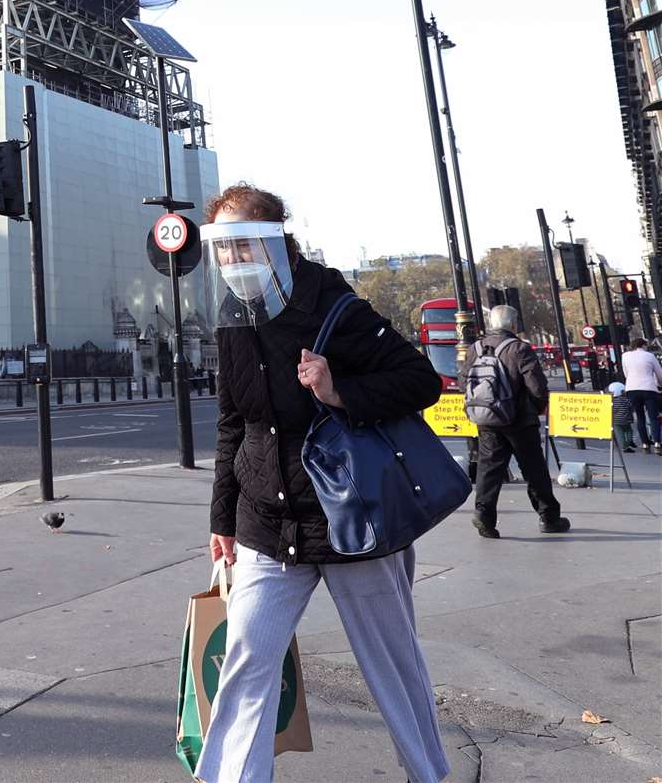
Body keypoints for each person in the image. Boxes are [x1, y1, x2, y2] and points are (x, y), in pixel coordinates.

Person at [197, 183, 450, 783]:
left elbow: (420, 380)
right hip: (267, 521)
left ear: (276, 241)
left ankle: (427, 774)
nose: (233, 262)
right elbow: (234, 422)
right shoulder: (232, 321)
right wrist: (222, 521)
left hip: (352, 520)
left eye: (243, 246)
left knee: (394, 667)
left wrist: (340, 391)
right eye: (223, 251)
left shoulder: (333, 306)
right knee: (246, 665)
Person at [459, 304, 569, 538]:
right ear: (513, 324)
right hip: (519, 419)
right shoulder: (519, 348)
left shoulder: (474, 348)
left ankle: (484, 516)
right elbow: (537, 386)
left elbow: (464, 382)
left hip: (487, 419)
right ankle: (549, 517)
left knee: (489, 469)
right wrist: (535, 408)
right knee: (533, 469)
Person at [621, 338, 662, 454]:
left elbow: (626, 373)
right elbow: (659, 373)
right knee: (653, 417)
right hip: (648, 388)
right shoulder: (649, 356)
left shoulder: (625, 356)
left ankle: (645, 443)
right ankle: (657, 443)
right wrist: (659, 384)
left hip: (632, 389)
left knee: (640, 417)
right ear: (643, 345)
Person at [607, 381, 635, 452]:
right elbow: (631, 406)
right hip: (626, 420)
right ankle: (629, 441)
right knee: (629, 431)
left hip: (615, 421)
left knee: (620, 434)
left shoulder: (611, 401)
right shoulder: (625, 400)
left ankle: (624, 446)